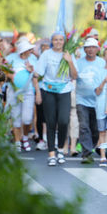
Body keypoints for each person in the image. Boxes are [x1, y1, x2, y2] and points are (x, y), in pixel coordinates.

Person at [34, 32, 78, 166]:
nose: (58, 42)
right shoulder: (46, 54)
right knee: (51, 122)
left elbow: (75, 76)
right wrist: (37, 92)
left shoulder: (69, 54)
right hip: (48, 91)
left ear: (64, 41)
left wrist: (69, 61)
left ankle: (60, 149)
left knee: (64, 121)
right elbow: (37, 74)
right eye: (55, 40)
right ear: (52, 41)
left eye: (60, 40)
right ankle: (51, 153)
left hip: (64, 90)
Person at [5, 40, 39, 152]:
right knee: (16, 118)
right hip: (13, 92)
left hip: (28, 92)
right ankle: (18, 141)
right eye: (28, 49)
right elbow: (4, 71)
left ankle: (25, 137)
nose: (30, 51)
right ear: (23, 51)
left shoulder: (33, 59)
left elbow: (37, 76)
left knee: (27, 118)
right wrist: (11, 75)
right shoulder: (11, 58)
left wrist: (31, 70)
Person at [76, 37, 105, 164]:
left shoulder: (103, 63)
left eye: (93, 47)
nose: (91, 50)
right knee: (83, 126)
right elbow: (73, 75)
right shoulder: (78, 62)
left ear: (97, 49)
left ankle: (91, 147)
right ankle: (86, 153)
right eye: (88, 47)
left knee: (95, 129)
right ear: (84, 49)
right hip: (81, 99)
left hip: (98, 100)